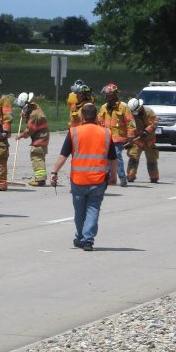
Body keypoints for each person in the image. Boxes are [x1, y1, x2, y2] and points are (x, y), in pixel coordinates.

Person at [49, 103, 117, 251]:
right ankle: (87, 240)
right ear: (97, 116)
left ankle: (81, 237)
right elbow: (113, 158)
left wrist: (54, 172)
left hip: (79, 180)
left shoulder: (74, 132)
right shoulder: (105, 133)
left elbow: (63, 156)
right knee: (93, 209)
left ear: (81, 116)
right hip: (98, 179)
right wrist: (114, 176)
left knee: (79, 211)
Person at [98, 83, 134, 186]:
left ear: (113, 95)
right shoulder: (104, 107)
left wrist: (130, 136)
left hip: (118, 138)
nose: (106, 97)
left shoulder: (123, 107)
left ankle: (122, 178)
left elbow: (130, 122)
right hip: (106, 138)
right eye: (105, 95)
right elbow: (99, 122)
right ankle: (109, 179)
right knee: (107, 159)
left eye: (107, 95)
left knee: (117, 157)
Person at [17, 92, 49, 186]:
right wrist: (25, 114)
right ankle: (40, 179)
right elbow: (30, 115)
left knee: (36, 156)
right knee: (39, 157)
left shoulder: (34, 114)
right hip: (42, 136)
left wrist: (21, 136)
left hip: (40, 137)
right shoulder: (34, 107)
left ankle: (40, 180)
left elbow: (30, 129)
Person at [125, 97, 159, 182]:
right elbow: (129, 125)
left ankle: (154, 177)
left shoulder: (149, 112)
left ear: (140, 107)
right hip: (137, 140)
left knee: (152, 159)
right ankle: (130, 175)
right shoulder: (131, 114)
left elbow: (155, 123)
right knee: (133, 157)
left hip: (149, 139)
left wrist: (147, 131)